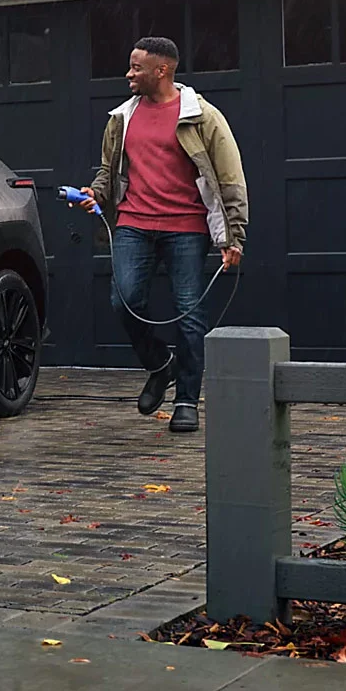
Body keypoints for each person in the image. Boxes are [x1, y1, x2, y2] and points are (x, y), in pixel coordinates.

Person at [72, 37, 248, 434]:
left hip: (186, 227)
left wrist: (233, 237)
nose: (128, 74)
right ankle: (159, 364)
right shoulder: (122, 118)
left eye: (136, 68)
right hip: (134, 223)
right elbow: (108, 170)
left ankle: (186, 400)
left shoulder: (202, 117)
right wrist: (95, 193)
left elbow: (230, 179)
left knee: (189, 313)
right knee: (125, 301)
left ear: (161, 70)